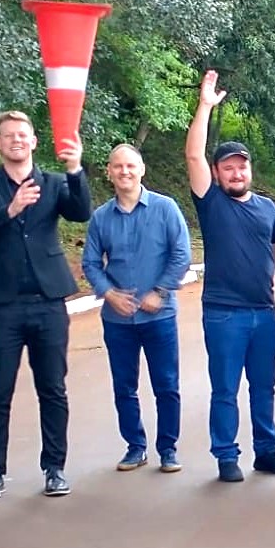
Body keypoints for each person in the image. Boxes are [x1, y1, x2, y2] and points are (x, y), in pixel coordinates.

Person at [0, 111, 92, 501]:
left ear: (35, 141)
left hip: (48, 302)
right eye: (8, 135)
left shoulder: (53, 183)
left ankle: (54, 468)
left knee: (52, 388)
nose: (16, 140)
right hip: (1, 306)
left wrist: (75, 168)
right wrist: (11, 208)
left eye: (23, 134)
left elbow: (81, 211)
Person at [186, 71, 275, 482]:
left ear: (249, 171)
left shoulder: (267, 208)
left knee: (264, 387)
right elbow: (194, 156)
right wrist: (206, 106)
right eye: (227, 168)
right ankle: (227, 455)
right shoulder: (211, 203)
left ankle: (267, 450)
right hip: (224, 314)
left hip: (264, 313)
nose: (235, 173)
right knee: (226, 389)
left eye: (241, 167)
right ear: (216, 173)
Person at [82, 144, 192, 474]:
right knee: (124, 387)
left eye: (130, 165)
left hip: (159, 316)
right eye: (118, 166)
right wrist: (108, 293)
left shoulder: (165, 208)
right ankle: (135, 447)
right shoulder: (101, 217)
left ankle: (168, 448)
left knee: (166, 384)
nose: (124, 172)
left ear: (142, 169)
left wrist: (159, 292)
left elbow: (181, 255)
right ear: (109, 172)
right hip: (118, 320)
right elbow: (90, 262)